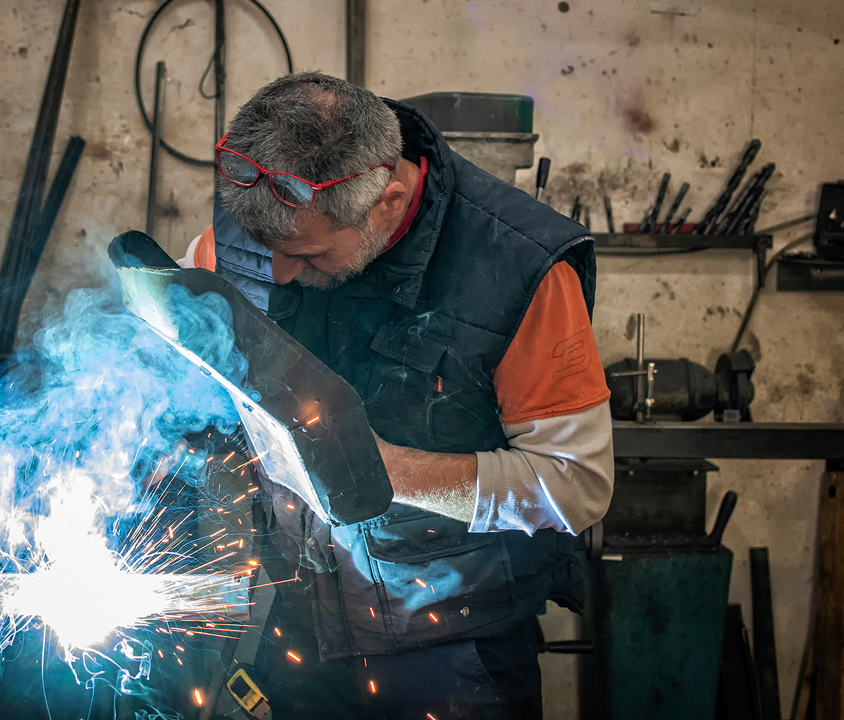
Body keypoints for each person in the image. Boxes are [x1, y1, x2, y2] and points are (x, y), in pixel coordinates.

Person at [182, 72, 614, 719]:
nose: (279, 273)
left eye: (310, 253)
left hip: (455, 655)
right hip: (299, 636)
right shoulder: (243, 230)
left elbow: (576, 484)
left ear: (385, 201)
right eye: (268, 249)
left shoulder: (523, 268)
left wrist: (385, 470)